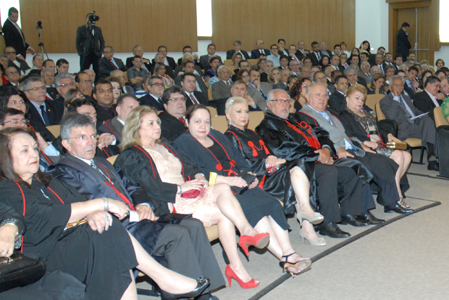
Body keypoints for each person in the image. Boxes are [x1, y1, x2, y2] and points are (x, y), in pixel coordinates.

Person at [0, 127, 210, 300]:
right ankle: (163, 280)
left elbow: (77, 203)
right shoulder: (5, 189)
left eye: (34, 148)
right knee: (110, 234)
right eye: (24, 150)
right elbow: (46, 218)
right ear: (3, 156)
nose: (33, 154)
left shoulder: (45, 181)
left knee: (111, 241)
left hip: (73, 245)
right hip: (45, 260)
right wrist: (100, 205)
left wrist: (93, 213)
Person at [52, 114, 235, 300]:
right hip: (118, 228)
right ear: (66, 143)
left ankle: (204, 296)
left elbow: (132, 186)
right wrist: (129, 213)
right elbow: (83, 206)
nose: (90, 142)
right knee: (176, 235)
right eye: (82, 137)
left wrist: (143, 204)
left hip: (139, 217)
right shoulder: (62, 173)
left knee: (193, 225)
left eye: (92, 136)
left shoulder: (101, 162)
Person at [115, 105, 274, 287]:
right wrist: (180, 188)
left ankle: (245, 234)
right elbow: (149, 186)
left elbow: (189, 166)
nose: (157, 126)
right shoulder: (131, 155)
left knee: (222, 187)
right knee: (224, 213)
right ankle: (237, 264)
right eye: (150, 123)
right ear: (136, 127)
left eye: (158, 122)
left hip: (190, 191)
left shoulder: (165, 145)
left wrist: (199, 177)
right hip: (171, 200)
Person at [173, 106, 312, 275]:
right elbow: (193, 175)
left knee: (272, 204)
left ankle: (289, 251)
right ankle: (285, 257)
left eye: (206, 122)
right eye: (197, 121)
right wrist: (227, 180)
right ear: (187, 122)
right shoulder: (182, 143)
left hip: (238, 181)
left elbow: (238, 159)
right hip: (218, 189)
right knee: (256, 211)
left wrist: (249, 176)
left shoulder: (216, 135)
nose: (203, 126)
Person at [256, 89, 373, 239]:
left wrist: (326, 149)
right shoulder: (266, 126)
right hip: (297, 165)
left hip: (318, 157)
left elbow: (322, 133)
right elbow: (283, 150)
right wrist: (317, 155)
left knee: (352, 168)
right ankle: (328, 223)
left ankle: (349, 213)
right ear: (268, 104)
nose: (285, 104)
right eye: (280, 101)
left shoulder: (296, 118)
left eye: (287, 101)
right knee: (328, 172)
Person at [224, 97, 325, 245]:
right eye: (238, 112)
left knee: (299, 167)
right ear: (228, 115)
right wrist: (266, 163)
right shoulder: (229, 137)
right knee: (295, 178)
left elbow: (267, 151)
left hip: (272, 172)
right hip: (259, 179)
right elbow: (241, 166)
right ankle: (307, 225)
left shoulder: (251, 132)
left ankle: (305, 212)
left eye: (246, 111)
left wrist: (272, 157)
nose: (244, 115)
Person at [300, 83, 411, 215]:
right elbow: (317, 139)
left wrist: (359, 144)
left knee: (383, 162)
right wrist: (338, 149)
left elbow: (347, 134)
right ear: (307, 96)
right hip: (336, 151)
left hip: (353, 146)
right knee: (363, 166)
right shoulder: (304, 116)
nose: (322, 98)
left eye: (324, 95)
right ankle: (362, 211)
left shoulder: (330, 112)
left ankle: (390, 201)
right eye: (318, 95)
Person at [338, 85, 412, 210]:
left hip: (379, 143)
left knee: (407, 156)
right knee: (398, 155)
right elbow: (348, 135)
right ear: (347, 99)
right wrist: (364, 142)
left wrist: (388, 135)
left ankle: (392, 190)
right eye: (356, 98)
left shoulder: (365, 113)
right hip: (368, 146)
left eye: (362, 99)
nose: (360, 102)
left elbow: (377, 129)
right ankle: (397, 197)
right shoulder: (344, 115)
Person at [75, 13, 105, 77]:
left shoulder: (98, 29)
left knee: (97, 70)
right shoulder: (81, 29)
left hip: (96, 53)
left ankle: (97, 81)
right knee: (84, 70)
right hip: (85, 53)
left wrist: (101, 51)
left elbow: (102, 41)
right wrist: (80, 52)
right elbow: (78, 42)